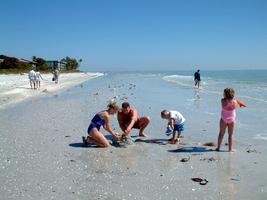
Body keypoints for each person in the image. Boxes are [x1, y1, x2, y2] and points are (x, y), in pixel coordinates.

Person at [216, 88, 246, 152]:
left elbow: (225, 102)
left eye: (224, 93)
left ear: (226, 95)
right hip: (231, 120)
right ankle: (230, 149)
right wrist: (241, 103)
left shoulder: (223, 100)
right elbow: (237, 101)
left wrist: (239, 102)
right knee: (231, 134)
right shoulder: (234, 101)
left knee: (221, 133)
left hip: (223, 119)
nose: (223, 94)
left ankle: (218, 147)